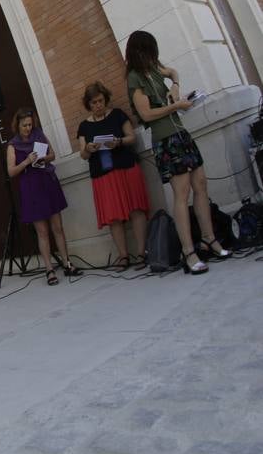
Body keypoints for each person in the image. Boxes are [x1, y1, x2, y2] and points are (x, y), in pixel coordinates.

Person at [124, 30, 230, 274]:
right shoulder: (134, 78)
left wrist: (176, 85)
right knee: (181, 193)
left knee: (200, 185)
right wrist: (176, 105)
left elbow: (172, 72)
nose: (153, 55)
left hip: (181, 134)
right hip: (165, 139)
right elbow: (146, 114)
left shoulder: (153, 69)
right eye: (149, 50)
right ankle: (188, 251)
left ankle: (209, 238)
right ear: (140, 50)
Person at [75, 81, 151, 270]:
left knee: (136, 209)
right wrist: (89, 148)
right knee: (114, 216)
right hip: (103, 174)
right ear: (88, 104)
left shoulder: (117, 115)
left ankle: (142, 252)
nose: (98, 105)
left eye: (100, 101)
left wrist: (118, 142)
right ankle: (123, 256)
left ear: (105, 99)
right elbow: (82, 154)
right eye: (93, 103)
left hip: (125, 166)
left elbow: (131, 137)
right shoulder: (84, 126)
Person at [6, 107, 80, 285]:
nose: (28, 128)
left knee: (58, 228)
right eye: (24, 125)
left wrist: (43, 159)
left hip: (47, 182)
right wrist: (26, 161)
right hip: (31, 188)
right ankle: (49, 269)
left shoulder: (39, 135)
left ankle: (67, 263)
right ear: (18, 125)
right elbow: (11, 171)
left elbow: (52, 154)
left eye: (30, 124)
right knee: (43, 232)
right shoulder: (12, 145)